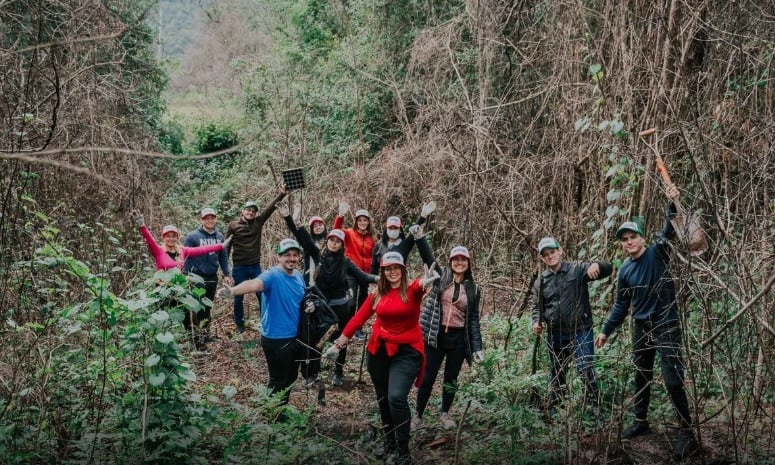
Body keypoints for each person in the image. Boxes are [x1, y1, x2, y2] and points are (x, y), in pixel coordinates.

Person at [594, 185, 699, 459]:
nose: (628, 241)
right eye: (624, 239)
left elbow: (669, 228)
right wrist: (606, 331)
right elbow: (621, 305)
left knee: (673, 379)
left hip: (666, 324)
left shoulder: (658, 252)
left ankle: (687, 432)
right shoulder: (625, 270)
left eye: (632, 237)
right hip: (641, 328)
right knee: (641, 376)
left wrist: (672, 201)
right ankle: (641, 422)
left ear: (642, 238)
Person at [326, 251, 439, 465]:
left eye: (396, 268)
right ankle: (390, 441)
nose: (392, 271)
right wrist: (340, 342)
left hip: (407, 352)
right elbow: (358, 318)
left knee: (396, 397)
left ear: (402, 270)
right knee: (382, 398)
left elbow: (419, 285)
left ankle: (403, 451)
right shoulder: (377, 294)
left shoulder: (411, 290)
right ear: (383, 272)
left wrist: (425, 281)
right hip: (378, 351)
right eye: (388, 269)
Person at [279, 201, 377, 391]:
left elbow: (364, 276)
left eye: (338, 241)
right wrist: (288, 218)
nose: (334, 243)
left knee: (342, 340)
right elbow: (304, 238)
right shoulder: (319, 256)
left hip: (341, 307)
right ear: (328, 241)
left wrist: (383, 278)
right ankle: (312, 374)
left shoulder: (346, 263)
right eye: (331, 240)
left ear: (341, 244)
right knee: (315, 339)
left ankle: (338, 373)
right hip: (321, 306)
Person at [217, 238, 306, 415]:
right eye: (287, 255)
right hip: (276, 339)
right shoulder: (272, 275)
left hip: (295, 336)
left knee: (291, 377)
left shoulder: (298, 276)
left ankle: (280, 409)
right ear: (278, 257)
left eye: (295, 255)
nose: (291, 259)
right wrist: (233, 291)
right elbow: (254, 284)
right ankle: (272, 415)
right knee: (278, 380)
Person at [530, 237, 612, 423]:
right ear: (542, 259)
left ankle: (595, 409)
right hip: (555, 333)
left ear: (560, 251)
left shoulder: (577, 269)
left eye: (552, 252)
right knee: (557, 372)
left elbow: (607, 269)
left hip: (580, 330)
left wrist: (597, 265)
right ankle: (556, 408)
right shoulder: (541, 281)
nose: (550, 256)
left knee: (584, 368)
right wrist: (536, 321)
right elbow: (537, 307)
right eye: (545, 255)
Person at [130, 210, 231, 347]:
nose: (171, 239)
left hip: (178, 291)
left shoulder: (182, 251)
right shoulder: (159, 251)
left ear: (177, 237)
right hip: (163, 290)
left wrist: (221, 246)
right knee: (163, 320)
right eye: (168, 236)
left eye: (173, 236)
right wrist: (142, 226)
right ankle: (163, 347)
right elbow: (149, 240)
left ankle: (198, 345)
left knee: (188, 320)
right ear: (163, 237)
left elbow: (202, 249)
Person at [414, 244, 483, 430]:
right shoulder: (440, 277)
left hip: (458, 339)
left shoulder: (474, 289)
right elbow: (428, 257)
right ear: (450, 262)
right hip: (435, 336)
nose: (459, 262)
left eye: (463, 259)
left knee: (451, 379)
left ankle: (444, 413)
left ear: (468, 263)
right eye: (456, 259)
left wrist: (477, 347)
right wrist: (420, 237)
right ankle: (418, 416)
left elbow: (473, 319)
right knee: (427, 377)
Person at [225, 187, 287, 334]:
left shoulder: (258, 222)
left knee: (262, 294)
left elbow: (270, 208)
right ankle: (240, 325)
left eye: (253, 210)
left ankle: (265, 320)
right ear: (243, 211)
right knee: (238, 296)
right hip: (239, 267)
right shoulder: (233, 225)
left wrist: (282, 193)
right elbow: (226, 248)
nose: (250, 212)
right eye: (248, 210)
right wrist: (225, 270)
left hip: (254, 266)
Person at [183, 207, 232, 346]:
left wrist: (226, 273)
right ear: (201, 220)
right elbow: (185, 257)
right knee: (198, 307)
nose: (210, 220)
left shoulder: (219, 237)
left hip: (212, 276)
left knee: (208, 306)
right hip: (196, 276)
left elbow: (223, 256)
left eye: (212, 218)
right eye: (206, 218)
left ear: (216, 219)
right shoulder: (192, 237)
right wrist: (186, 276)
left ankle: (206, 334)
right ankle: (197, 340)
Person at [333, 200, 377, 339]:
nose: (363, 222)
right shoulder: (349, 233)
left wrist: (375, 274)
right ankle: (347, 326)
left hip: (365, 274)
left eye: (365, 220)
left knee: (363, 302)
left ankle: (358, 328)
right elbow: (336, 231)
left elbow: (376, 256)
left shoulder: (373, 238)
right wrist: (340, 215)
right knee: (351, 302)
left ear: (368, 222)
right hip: (351, 273)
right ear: (356, 221)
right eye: (360, 220)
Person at [369, 201, 436, 275]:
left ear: (400, 230)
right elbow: (374, 266)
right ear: (386, 230)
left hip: (400, 279)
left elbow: (414, 231)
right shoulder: (379, 245)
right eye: (390, 228)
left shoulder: (404, 244)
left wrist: (422, 217)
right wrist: (373, 281)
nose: (393, 230)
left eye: (395, 228)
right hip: (383, 280)